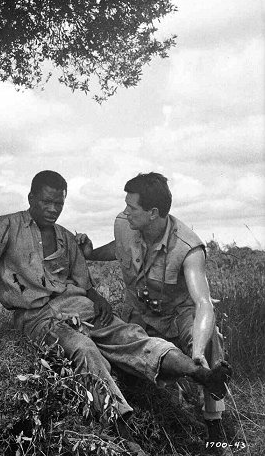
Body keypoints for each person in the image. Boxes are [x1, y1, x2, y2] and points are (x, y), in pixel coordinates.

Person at [0, 170, 231, 452]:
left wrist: (98, 299)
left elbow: (86, 286)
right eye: (46, 202)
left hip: (83, 309)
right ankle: (122, 428)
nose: (53, 209)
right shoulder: (7, 226)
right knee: (83, 348)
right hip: (38, 316)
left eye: (59, 204)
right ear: (31, 198)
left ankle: (199, 373)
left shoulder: (66, 238)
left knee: (131, 336)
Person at [77, 172, 229, 442]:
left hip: (177, 314)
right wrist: (91, 255)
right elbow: (120, 247)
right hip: (140, 314)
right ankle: (157, 403)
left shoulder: (188, 247)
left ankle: (213, 417)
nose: (125, 211)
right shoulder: (125, 224)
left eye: (132, 207)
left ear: (153, 213)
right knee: (123, 352)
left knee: (208, 340)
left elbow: (204, 303)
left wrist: (196, 348)